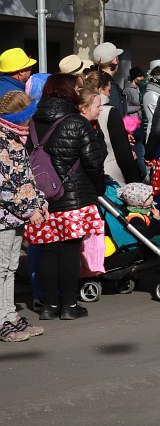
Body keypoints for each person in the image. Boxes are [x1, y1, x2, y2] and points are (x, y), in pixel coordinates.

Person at [24, 73, 107, 321]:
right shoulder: (76, 122)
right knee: (70, 251)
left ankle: (49, 305)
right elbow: (94, 162)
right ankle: (69, 305)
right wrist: (98, 189)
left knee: (48, 251)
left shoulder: (30, 121)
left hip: (41, 197)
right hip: (73, 195)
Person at [0, 91, 49, 342]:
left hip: (15, 216)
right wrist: (29, 210)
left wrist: (39, 203)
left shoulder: (16, 139)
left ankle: (9, 314)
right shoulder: (2, 142)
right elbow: (4, 188)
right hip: (4, 218)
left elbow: (26, 179)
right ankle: (2, 319)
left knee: (10, 267)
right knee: (1, 269)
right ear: (20, 117)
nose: (30, 123)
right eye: (27, 117)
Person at [84, 74, 140, 185]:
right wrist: (134, 181)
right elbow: (122, 152)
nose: (110, 95)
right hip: (112, 174)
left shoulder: (80, 110)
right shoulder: (109, 111)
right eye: (109, 91)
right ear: (100, 89)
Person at [92, 41, 127, 114]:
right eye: (118, 58)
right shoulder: (109, 86)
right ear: (115, 60)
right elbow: (116, 114)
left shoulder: (92, 80)